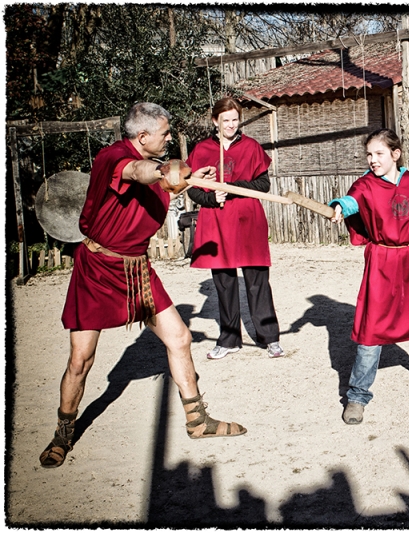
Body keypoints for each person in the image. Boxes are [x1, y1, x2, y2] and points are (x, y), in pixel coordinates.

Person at [40, 103, 246, 469]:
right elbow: (138, 171)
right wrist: (165, 170)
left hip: (137, 268)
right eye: (165, 134)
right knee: (80, 359)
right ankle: (63, 432)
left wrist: (185, 176)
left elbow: (159, 183)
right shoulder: (113, 157)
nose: (169, 138)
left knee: (180, 338)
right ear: (142, 137)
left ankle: (198, 422)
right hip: (98, 268)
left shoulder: (153, 163)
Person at [328, 128, 409, 425]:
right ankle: (357, 396)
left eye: (379, 154)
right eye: (369, 155)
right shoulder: (365, 185)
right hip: (383, 260)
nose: (373, 160)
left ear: (395, 154)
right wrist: (339, 205)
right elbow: (352, 202)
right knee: (371, 330)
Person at [186, 97, 284, 360]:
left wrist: (233, 188)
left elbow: (263, 185)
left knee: (257, 282)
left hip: (248, 221)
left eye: (234, 119)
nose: (230, 125)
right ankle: (229, 339)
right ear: (215, 120)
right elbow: (191, 187)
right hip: (216, 223)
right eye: (225, 120)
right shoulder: (203, 149)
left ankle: (269, 337)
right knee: (225, 284)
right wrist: (210, 197)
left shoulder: (251, 147)